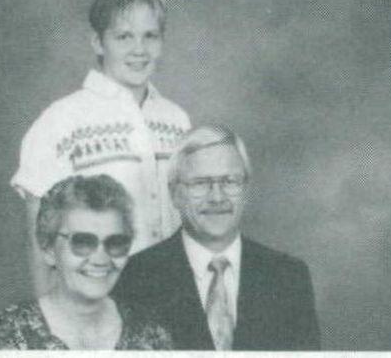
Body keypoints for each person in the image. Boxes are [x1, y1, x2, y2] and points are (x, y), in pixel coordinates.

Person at [10, 0, 191, 295]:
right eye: (124, 37)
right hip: (98, 296)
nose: (139, 50)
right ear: (97, 42)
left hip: (175, 292)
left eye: (150, 36)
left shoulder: (177, 120)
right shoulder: (60, 121)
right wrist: (52, 317)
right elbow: (41, 242)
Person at [113, 125, 321, 350]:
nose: (217, 197)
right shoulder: (134, 278)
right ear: (174, 194)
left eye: (229, 181)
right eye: (200, 183)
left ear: (245, 189)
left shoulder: (288, 278)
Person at [0, 175, 173, 350]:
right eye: (83, 242)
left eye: (116, 243)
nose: (101, 259)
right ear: (48, 249)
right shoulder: (0, 337)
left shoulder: (153, 336)